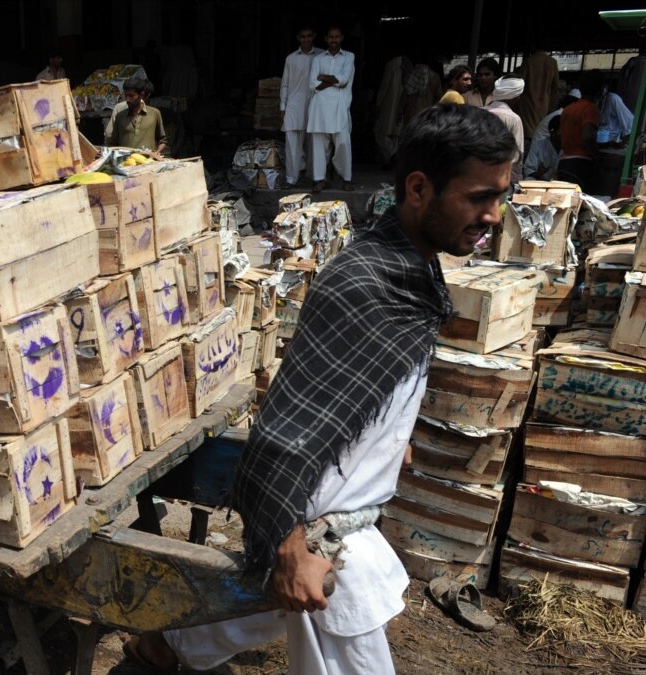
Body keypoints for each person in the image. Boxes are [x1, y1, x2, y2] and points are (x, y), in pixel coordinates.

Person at [123, 104, 516, 674]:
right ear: (418, 188)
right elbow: (291, 428)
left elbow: (366, 389)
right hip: (320, 530)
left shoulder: (414, 270)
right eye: (479, 197)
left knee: (273, 612)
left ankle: (163, 649)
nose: (494, 215)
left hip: (345, 510)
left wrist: (390, 434)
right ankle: (164, 648)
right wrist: (290, 540)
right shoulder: (364, 282)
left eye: (500, 196)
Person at [307, 26, 355, 191]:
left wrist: (324, 77)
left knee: (343, 144)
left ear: (341, 38)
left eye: (337, 37)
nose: (334, 40)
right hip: (319, 108)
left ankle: (347, 179)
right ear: (326, 39)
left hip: (340, 107)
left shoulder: (349, 56)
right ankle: (320, 179)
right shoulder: (318, 59)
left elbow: (344, 80)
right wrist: (334, 81)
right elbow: (313, 84)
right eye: (331, 37)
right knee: (319, 146)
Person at [280, 27, 324, 187]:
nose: (306, 39)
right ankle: (291, 179)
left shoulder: (322, 56)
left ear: (314, 37)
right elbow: (285, 84)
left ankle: (315, 177)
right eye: (303, 36)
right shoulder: (291, 59)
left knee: (316, 144)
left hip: (316, 106)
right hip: (294, 106)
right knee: (292, 145)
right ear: (298, 38)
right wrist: (283, 107)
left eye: (309, 36)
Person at [558, 74, 602, 191]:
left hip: (564, 162)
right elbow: (588, 136)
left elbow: (559, 134)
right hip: (580, 163)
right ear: (600, 91)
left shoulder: (568, 109)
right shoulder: (591, 108)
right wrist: (597, 155)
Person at [105, 77, 167, 156]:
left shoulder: (155, 113)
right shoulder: (120, 116)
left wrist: (157, 153)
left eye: (131, 96)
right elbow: (112, 143)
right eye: (126, 95)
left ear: (141, 95)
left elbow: (162, 141)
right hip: (126, 164)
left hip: (149, 163)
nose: (127, 99)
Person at [486, 76, 526, 182]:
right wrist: (516, 181)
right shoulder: (513, 119)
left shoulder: (479, 113)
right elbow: (517, 156)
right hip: (502, 179)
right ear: (516, 97)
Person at [517, 48, 560, 142]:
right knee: (541, 131)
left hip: (527, 104)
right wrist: (552, 107)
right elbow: (556, 87)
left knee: (527, 134)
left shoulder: (528, 61)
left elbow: (519, 84)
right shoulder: (552, 62)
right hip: (544, 104)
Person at [374, 54, 408, 166]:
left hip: (388, 105)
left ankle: (392, 156)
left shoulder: (391, 65)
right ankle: (391, 158)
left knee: (380, 132)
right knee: (395, 135)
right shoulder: (408, 66)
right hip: (401, 105)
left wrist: (378, 103)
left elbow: (385, 85)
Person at [524, 115, 562, 180]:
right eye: (562, 130)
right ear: (552, 132)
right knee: (529, 179)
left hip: (562, 185)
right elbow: (528, 169)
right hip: (541, 182)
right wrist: (538, 173)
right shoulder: (539, 145)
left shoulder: (570, 147)